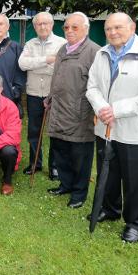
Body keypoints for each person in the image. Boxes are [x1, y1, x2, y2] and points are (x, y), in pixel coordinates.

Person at [86, 12, 138, 243]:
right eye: (109, 29)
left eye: (118, 27)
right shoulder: (102, 54)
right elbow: (92, 87)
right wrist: (102, 107)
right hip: (106, 127)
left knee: (135, 180)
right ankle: (110, 209)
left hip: (136, 132)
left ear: (132, 28)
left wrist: (117, 110)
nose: (112, 32)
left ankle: (136, 223)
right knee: (108, 173)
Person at [46, 12, 100, 208]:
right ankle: (66, 184)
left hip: (80, 114)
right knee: (61, 152)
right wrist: (50, 97)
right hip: (58, 110)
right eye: (66, 27)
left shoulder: (95, 52)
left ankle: (79, 193)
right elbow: (58, 78)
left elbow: (98, 86)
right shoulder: (63, 50)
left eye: (74, 27)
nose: (69, 31)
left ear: (86, 29)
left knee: (80, 157)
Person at [18, 11, 66, 179]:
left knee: (54, 132)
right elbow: (23, 64)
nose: (43, 26)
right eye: (39, 24)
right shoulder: (30, 44)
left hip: (54, 94)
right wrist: (47, 60)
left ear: (52, 25)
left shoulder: (62, 44)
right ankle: (35, 163)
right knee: (33, 131)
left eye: (46, 23)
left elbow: (61, 68)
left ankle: (55, 166)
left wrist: (36, 63)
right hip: (33, 94)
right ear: (35, 26)